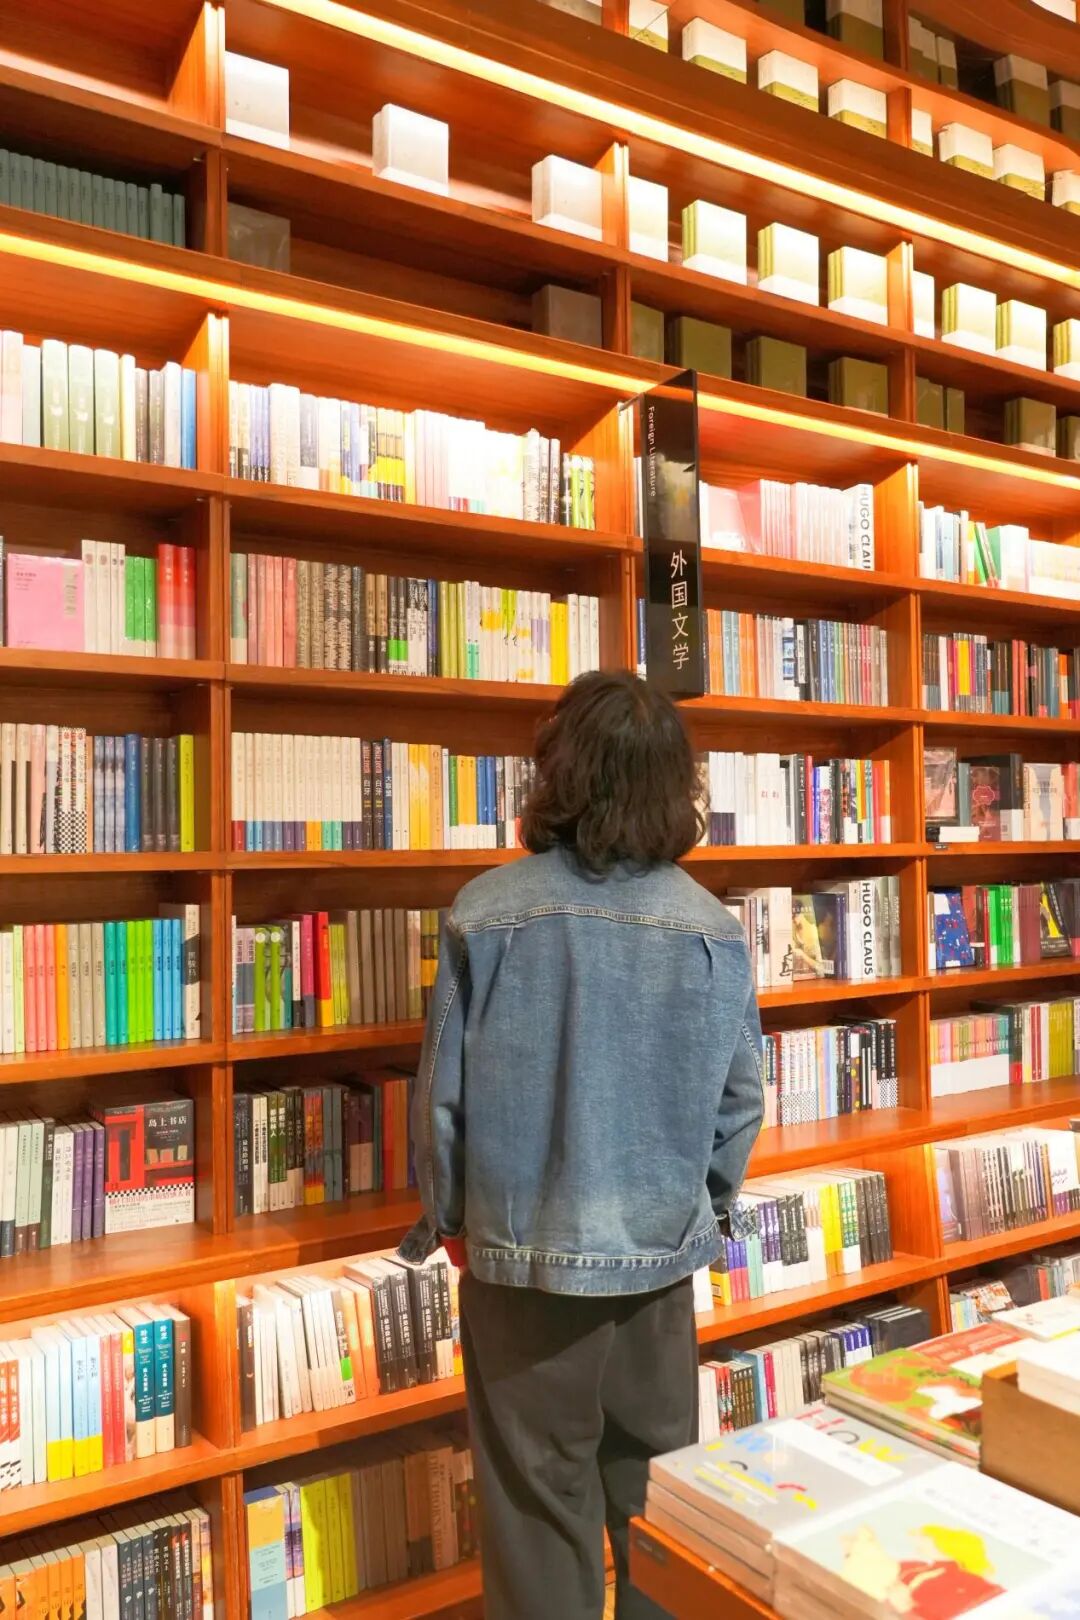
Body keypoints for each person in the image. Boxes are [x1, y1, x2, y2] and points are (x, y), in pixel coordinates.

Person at [399, 670, 764, 1620]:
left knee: (536, 1511)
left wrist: (451, 1222)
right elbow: (740, 1106)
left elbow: (441, 1103)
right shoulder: (713, 927)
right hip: (657, 1269)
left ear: (555, 772)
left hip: (521, 1270)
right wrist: (699, 1213)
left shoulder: (485, 911)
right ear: (675, 783)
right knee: (656, 1507)